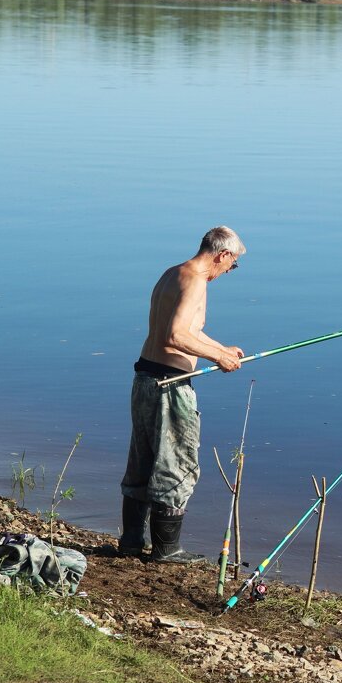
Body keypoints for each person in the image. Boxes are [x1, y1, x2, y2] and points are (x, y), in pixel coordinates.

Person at [118, 227, 246, 563]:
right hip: (169, 387)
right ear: (223, 255)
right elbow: (175, 336)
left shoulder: (173, 274)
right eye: (232, 265)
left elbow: (188, 330)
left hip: (145, 378)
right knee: (177, 463)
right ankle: (167, 549)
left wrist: (222, 349)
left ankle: (131, 541)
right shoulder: (196, 282)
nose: (228, 271)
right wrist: (217, 358)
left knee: (143, 460)